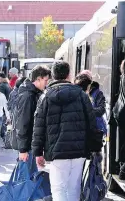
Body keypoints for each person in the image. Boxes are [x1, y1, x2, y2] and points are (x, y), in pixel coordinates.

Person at [32, 61, 98, 201]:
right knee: (74, 188)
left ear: (53, 76)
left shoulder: (45, 97)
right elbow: (92, 123)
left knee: (58, 188)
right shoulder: (82, 95)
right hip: (79, 151)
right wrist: (94, 148)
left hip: (56, 152)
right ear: (69, 75)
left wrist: (38, 152)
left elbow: (39, 127)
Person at [16, 66, 51, 159]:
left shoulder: (33, 93)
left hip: (30, 145)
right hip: (28, 147)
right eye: (46, 80)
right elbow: (23, 123)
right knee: (26, 172)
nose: (47, 84)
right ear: (38, 79)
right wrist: (23, 149)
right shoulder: (28, 96)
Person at [112, 59, 125, 180]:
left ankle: (121, 165)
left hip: (119, 111)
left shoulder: (123, 75)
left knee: (123, 141)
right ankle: (124, 169)